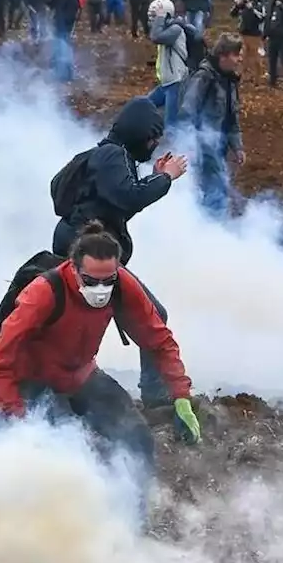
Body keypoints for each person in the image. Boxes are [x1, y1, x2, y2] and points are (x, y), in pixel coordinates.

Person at [0, 222, 200, 501]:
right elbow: (1, 359)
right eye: (91, 281)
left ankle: (131, 515)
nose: (101, 289)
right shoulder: (44, 293)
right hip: (34, 379)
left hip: (83, 375)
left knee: (138, 440)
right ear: (73, 269)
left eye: (107, 281)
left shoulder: (123, 284)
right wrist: (14, 412)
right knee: (61, 451)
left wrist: (181, 397)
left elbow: (159, 340)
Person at [50, 97, 187, 406]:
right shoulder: (113, 156)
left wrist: (153, 176)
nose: (153, 144)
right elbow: (129, 198)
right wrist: (166, 178)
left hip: (79, 249)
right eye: (152, 139)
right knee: (154, 314)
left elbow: (118, 205)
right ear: (140, 134)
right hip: (90, 256)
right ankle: (154, 395)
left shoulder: (104, 156)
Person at [178, 32, 245, 217]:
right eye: (236, 54)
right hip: (204, 144)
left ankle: (204, 223)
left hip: (219, 145)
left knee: (214, 187)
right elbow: (187, 110)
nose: (239, 59)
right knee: (218, 187)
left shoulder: (230, 80)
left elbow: (232, 117)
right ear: (223, 55)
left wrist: (237, 147)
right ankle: (213, 229)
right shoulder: (204, 77)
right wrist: (189, 143)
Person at [147, 0, 198, 127]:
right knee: (144, 106)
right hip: (166, 84)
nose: (153, 19)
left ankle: (176, 146)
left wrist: (160, 18)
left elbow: (156, 37)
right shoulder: (168, 27)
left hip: (176, 83)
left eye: (155, 15)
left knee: (171, 124)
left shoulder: (176, 29)